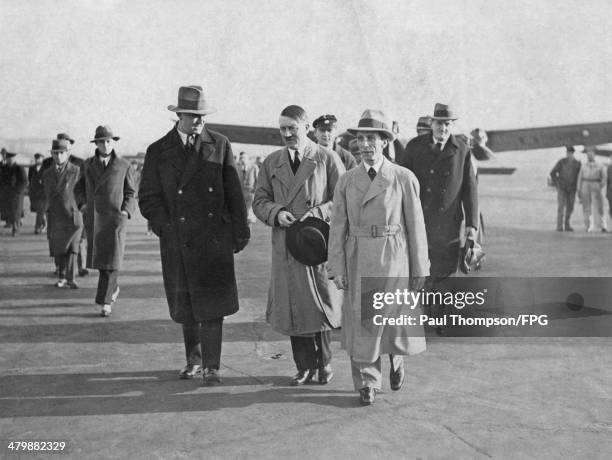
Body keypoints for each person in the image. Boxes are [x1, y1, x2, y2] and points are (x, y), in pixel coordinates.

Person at [139, 85, 249, 383]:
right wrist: (166, 227)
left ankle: (212, 366)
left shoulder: (220, 144)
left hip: (214, 240)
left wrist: (240, 232)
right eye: (193, 116)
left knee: (214, 306)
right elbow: (148, 198)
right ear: (179, 116)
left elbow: (234, 192)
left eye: (202, 116)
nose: (199, 122)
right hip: (178, 240)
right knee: (187, 305)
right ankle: (194, 361)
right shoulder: (158, 151)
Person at [328, 109, 429, 406]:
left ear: (384, 141)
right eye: (360, 139)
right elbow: (337, 227)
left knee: (393, 321)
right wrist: (336, 266)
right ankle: (367, 383)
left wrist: (420, 267)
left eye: (372, 138)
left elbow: (416, 225)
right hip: (359, 256)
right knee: (363, 323)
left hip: (394, 256)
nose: (365, 145)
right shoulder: (347, 181)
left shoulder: (403, 178)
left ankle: (397, 361)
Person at [253, 105, 344, 386]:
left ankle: (325, 363)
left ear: (306, 128)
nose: (287, 134)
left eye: (293, 128)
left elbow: (342, 198)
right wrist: (277, 213)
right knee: (293, 307)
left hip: (316, 245)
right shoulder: (271, 162)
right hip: (285, 245)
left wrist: (318, 212)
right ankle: (303, 366)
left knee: (318, 305)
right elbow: (259, 201)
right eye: (283, 129)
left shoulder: (326, 158)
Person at [398, 103, 478, 332]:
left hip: (449, 225)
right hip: (420, 222)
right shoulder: (414, 147)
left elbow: (469, 189)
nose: (443, 127)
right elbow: (402, 184)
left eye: (447, 123)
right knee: (423, 271)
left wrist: (472, 224)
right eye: (439, 122)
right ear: (431, 123)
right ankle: (425, 315)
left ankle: (440, 319)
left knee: (445, 273)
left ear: (452, 125)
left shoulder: (461, 149)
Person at [75, 125, 136, 317]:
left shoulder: (124, 165)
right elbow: (78, 189)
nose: (105, 145)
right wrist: (83, 205)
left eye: (108, 141)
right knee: (103, 263)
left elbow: (131, 192)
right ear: (97, 144)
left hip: (115, 219)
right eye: (101, 142)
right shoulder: (87, 165)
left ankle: (106, 301)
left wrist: (126, 211)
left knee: (112, 261)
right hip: (95, 219)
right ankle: (113, 289)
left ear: (113, 142)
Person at [43, 139, 83, 289]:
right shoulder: (47, 174)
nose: (59, 156)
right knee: (59, 247)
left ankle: (71, 277)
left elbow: (81, 191)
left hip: (73, 215)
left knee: (73, 247)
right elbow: (48, 194)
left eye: (62, 153)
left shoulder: (76, 171)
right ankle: (62, 276)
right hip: (56, 215)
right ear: (52, 155)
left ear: (68, 153)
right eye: (56, 153)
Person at [550, 145, 581, 231]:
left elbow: (580, 176)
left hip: (572, 189)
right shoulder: (561, 162)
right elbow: (553, 172)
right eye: (567, 153)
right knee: (561, 207)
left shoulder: (577, 164)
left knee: (570, 207)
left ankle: (567, 225)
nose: (568, 154)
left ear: (573, 153)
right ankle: (559, 226)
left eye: (570, 153)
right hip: (562, 188)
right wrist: (557, 183)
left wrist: (579, 187)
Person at [577, 146, 607, 232]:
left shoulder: (600, 165)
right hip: (585, 184)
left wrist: (600, 185)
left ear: (594, 154)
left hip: (596, 184)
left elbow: (604, 177)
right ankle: (588, 226)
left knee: (600, 206)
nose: (589, 155)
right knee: (586, 207)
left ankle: (603, 226)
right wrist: (579, 189)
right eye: (588, 154)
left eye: (591, 154)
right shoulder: (583, 166)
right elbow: (579, 178)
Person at [0, 151, 28, 236]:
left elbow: (24, 181)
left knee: (16, 212)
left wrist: (17, 191)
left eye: (11, 159)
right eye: (8, 159)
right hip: (6, 193)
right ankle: (11, 225)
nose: (9, 160)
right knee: (8, 212)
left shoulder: (19, 168)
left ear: (14, 159)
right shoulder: (4, 168)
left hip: (16, 195)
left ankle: (16, 229)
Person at [28, 153, 47, 234]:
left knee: (40, 210)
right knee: (39, 210)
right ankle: (44, 224)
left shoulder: (46, 168)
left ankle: (37, 227)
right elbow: (30, 178)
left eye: (39, 158)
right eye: (36, 158)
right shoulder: (31, 168)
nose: (37, 160)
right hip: (34, 193)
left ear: (42, 159)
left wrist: (42, 182)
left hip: (43, 193)